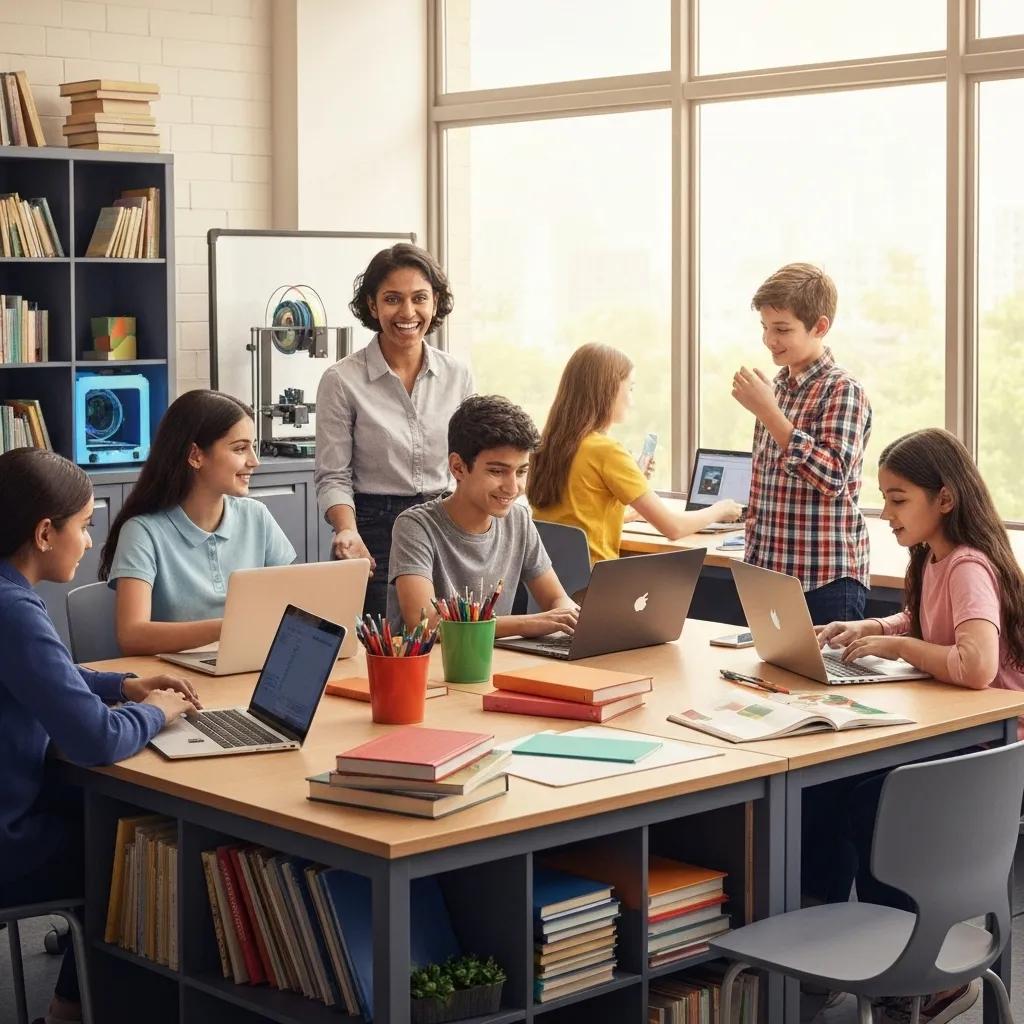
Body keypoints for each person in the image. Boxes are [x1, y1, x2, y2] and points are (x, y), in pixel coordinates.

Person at [813, 428, 1024, 1024]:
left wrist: (900, 646)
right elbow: (928, 620)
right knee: (837, 791)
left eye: (899, 498)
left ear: (945, 499)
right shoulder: (934, 560)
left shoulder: (967, 564)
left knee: (873, 803)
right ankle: (856, 954)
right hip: (956, 740)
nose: (886, 513)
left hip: (985, 751)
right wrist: (875, 629)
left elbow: (976, 664)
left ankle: (919, 975)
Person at [0, 448, 197, 1024]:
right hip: (8, 840)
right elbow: (93, 741)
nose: (89, 542)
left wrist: (123, 684)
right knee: (137, 852)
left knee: (107, 814)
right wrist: (158, 713)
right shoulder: (14, 610)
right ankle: (68, 1014)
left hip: (14, 798)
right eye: (84, 526)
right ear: (44, 532)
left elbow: (42, 677)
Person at [315, 243, 474, 616]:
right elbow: (333, 476)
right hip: (372, 528)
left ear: (435, 302)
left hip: (444, 520)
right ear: (372, 305)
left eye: (419, 298)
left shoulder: (458, 375)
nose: (407, 312)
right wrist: (346, 530)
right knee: (380, 651)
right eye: (392, 299)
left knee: (448, 640)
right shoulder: (341, 380)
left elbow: (471, 460)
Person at [99, 390, 296, 656]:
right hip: (174, 683)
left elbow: (292, 606)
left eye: (252, 446)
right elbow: (132, 636)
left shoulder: (256, 516)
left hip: (247, 666)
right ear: (195, 455)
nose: (254, 461)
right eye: (240, 448)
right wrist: (228, 628)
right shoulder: (142, 531)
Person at [732, 262, 872, 625]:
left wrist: (771, 415)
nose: (769, 340)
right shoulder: (776, 387)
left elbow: (833, 477)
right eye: (764, 327)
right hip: (769, 575)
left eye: (782, 329)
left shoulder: (842, 389)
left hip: (823, 579)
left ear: (820, 326)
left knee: (824, 683)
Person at [529, 343, 742, 563]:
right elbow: (673, 528)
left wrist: (628, 510)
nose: (632, 401)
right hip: (595, 585)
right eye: (630, 388)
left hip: (548, 586)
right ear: (608, 389)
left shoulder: (547, 444)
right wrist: (720, 509)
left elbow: (576, 517)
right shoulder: (606, 451)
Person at [387, 394, 579, 637]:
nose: (512, 487)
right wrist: (528, 624)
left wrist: (567, 616)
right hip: (430, 668)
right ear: (458, 467)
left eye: (521, 472)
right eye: (497, 471)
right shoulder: (415, 526)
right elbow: (424, 623)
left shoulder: (518, 520)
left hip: (494, 664)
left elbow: (556, 598)